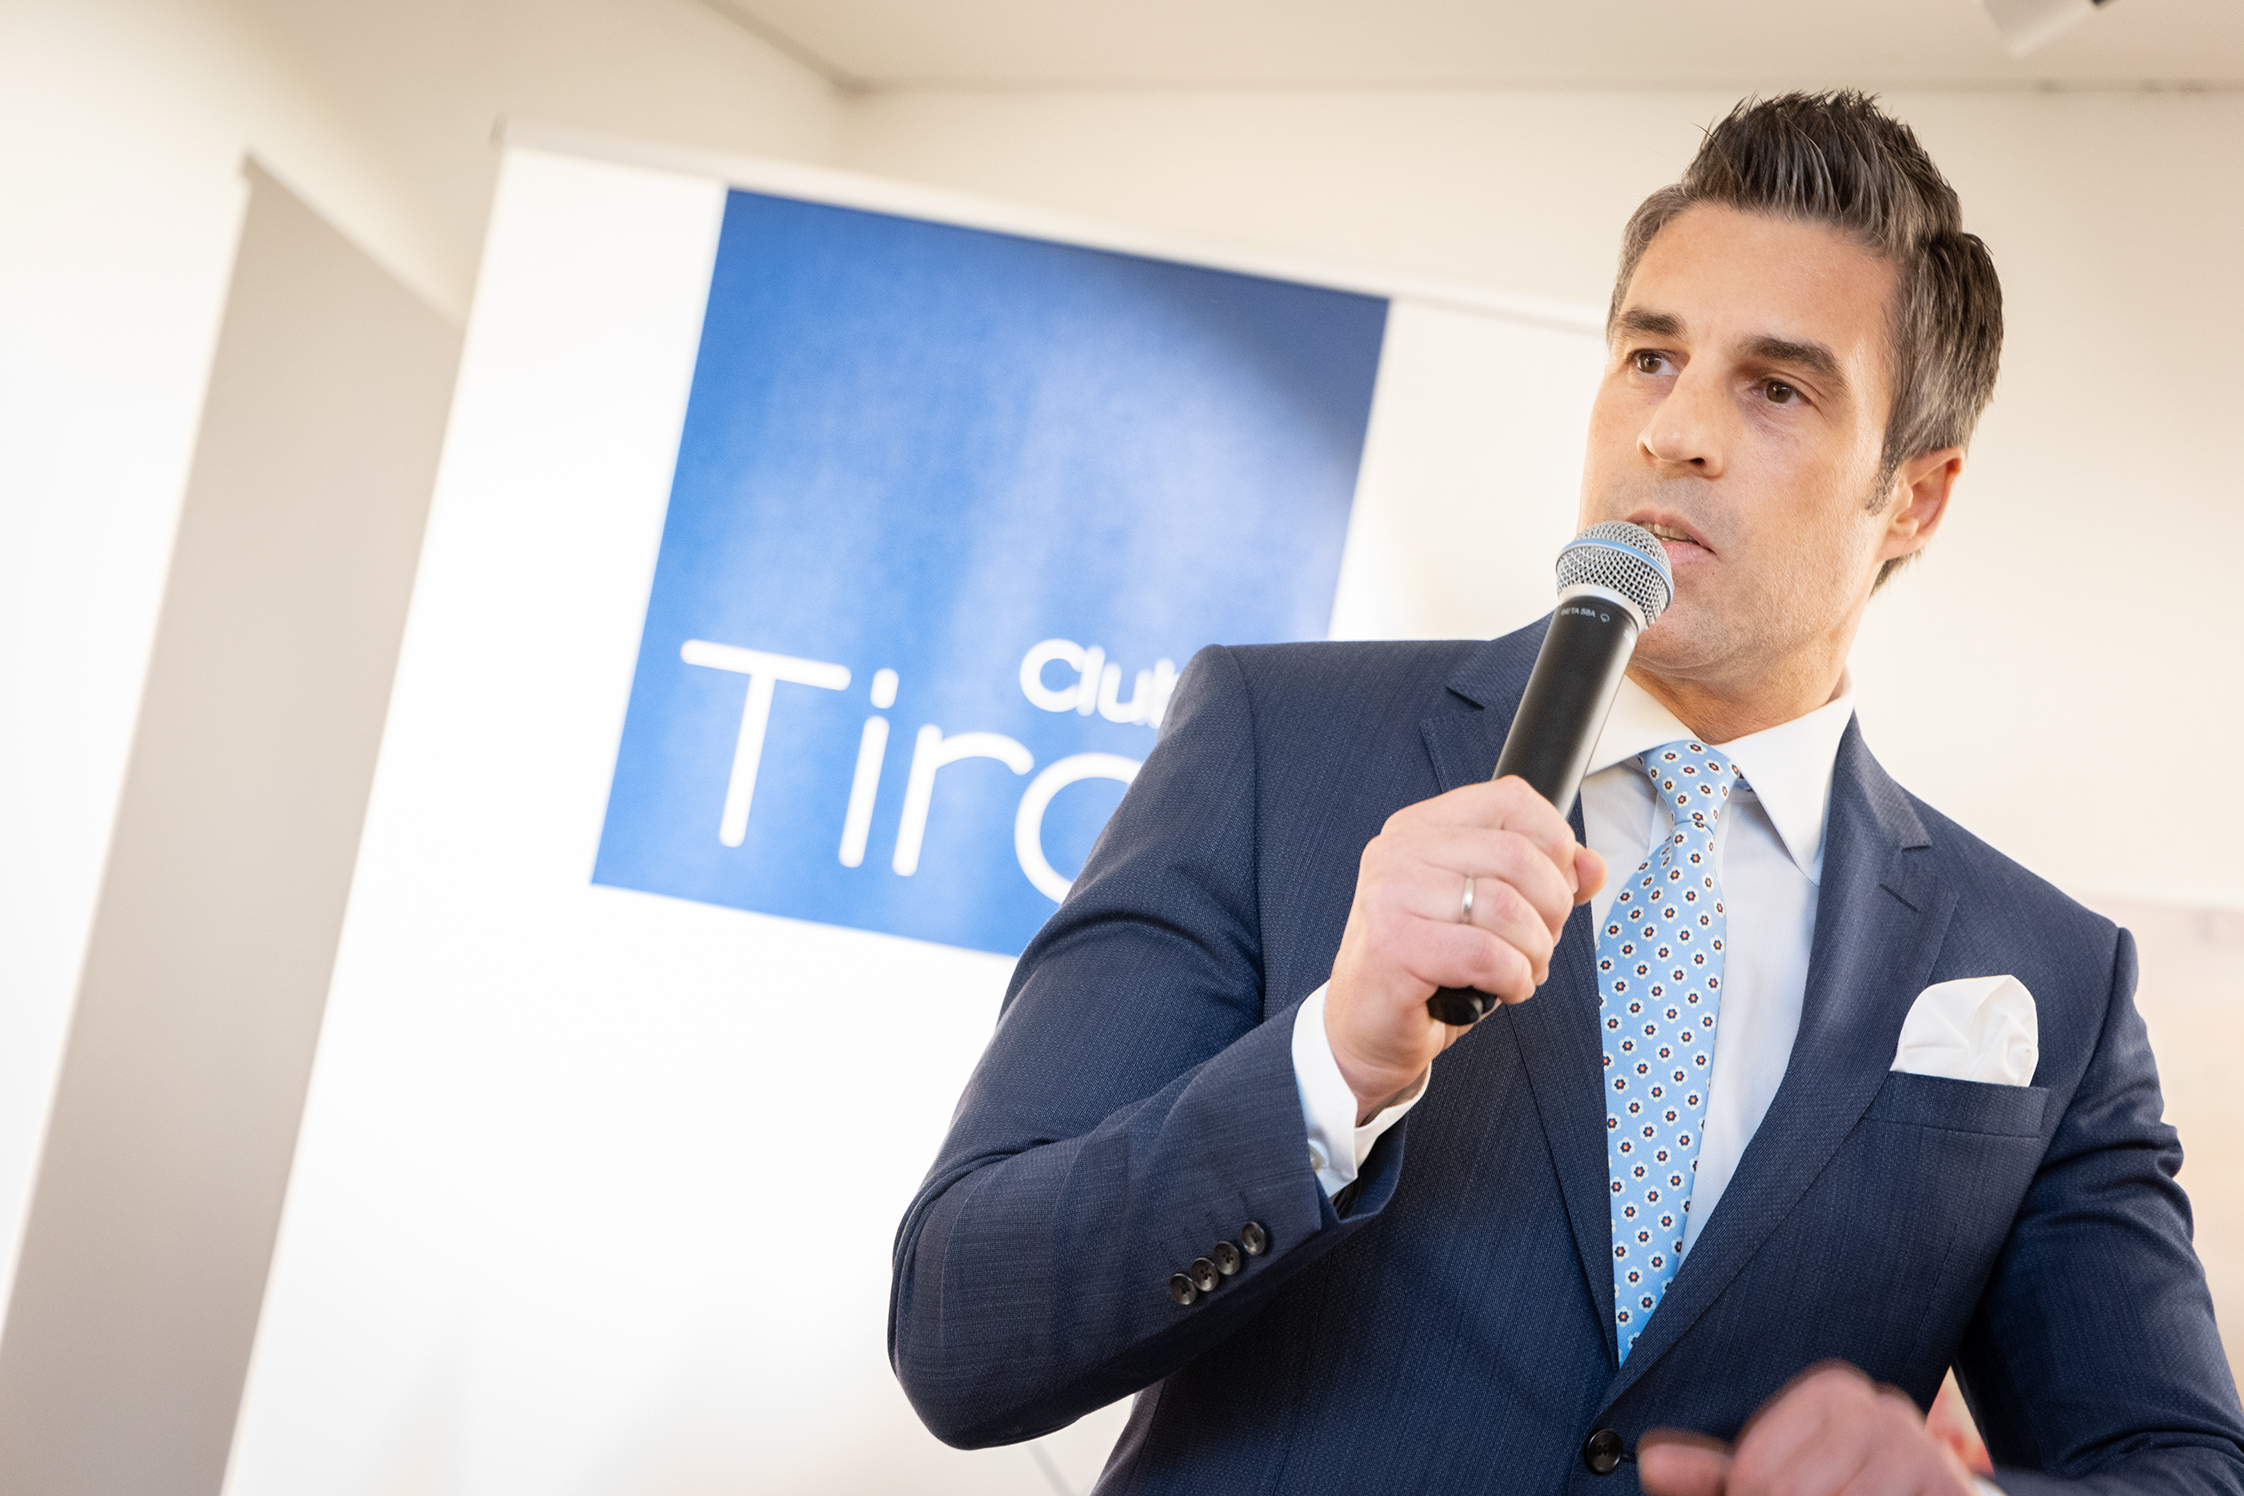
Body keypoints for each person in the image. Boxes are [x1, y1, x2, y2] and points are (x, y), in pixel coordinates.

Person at [887, 91, 2244, 1495]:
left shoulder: (2051, 980)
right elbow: (958, 1330)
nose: (1677, 431)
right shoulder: (1275, 744)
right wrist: (1330, 1065)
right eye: (1651, 357)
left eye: (1776, 388)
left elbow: (2182, 1469)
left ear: (1915, 497)